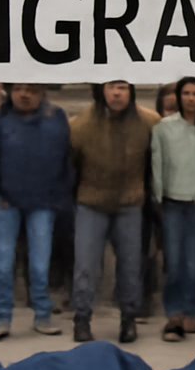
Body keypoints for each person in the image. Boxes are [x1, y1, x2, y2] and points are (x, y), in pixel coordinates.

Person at [68, 81, 161, 344]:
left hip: (130, 203)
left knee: (130, 265)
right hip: (91, 203)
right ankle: (82, 318)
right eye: (111, 87)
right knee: (86, 265)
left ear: (131, 91)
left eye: (122, 87)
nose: (117, 93)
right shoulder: (81, 125)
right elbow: (72, 165)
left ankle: (129, 319)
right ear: (102, 90)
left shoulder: (148, 122)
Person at [0, 83, 73, 340]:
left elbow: (66, 157)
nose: (24, 94)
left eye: (31, 89)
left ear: (42, 91)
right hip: (5, 203)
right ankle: (1, 318)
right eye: (19, 89)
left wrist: (60, 193)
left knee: (40, 264)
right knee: (2, 262)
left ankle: (42, 315)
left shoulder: (56, 118)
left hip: (43, 202)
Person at [150, 77, 195, 342]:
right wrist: (158, 199)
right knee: (175, 261)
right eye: (186, 93)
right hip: (172, 203)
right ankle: (174, 313)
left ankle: (192, 310)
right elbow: (157, 163)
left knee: (194, 262)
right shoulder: (163, 129)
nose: (191, 98)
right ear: (179, 97)